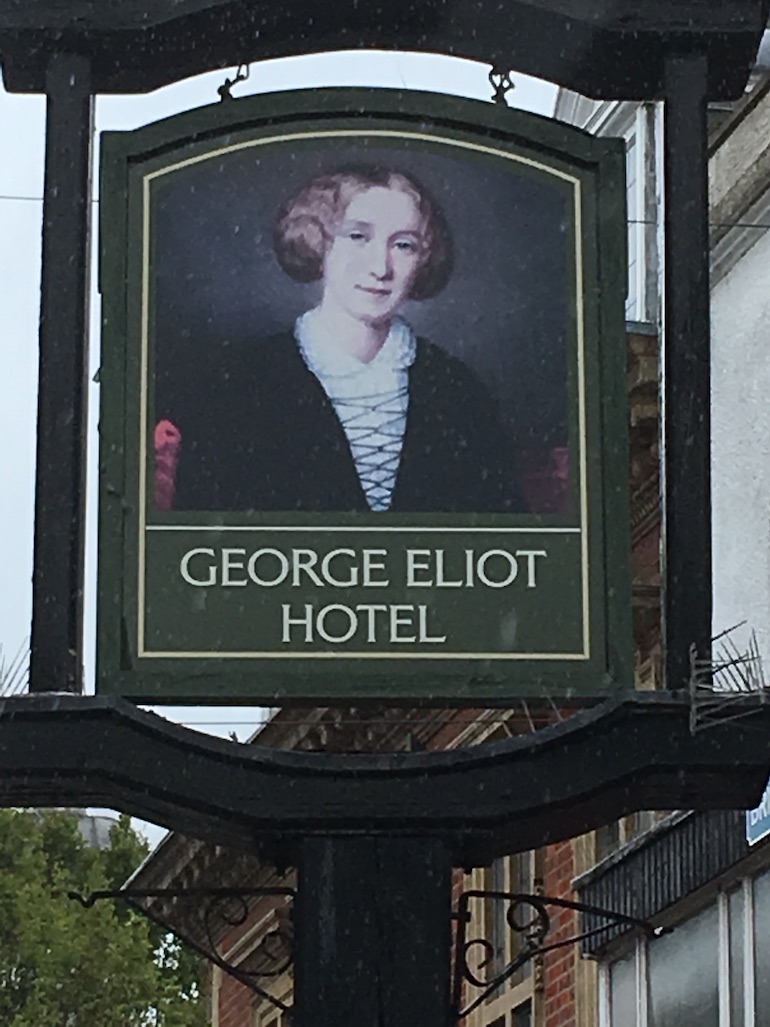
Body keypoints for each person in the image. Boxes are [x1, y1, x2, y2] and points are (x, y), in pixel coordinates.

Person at [165, 165, 525, 514]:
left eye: (403, 245)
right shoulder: (242, 384)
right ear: (317, 242)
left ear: (423, 260)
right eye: (357, 237)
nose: (380, 268)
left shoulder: (457, 391)